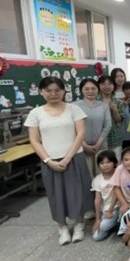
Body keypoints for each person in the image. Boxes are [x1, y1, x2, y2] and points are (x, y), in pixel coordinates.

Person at [25, 77, 93, 245]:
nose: (53, 94)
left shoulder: (74, 109)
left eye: (57, 90)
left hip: (74, 158)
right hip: (50, 161)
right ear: (41, 92)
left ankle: (79, 224)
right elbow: (34, 140)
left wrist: (68, 157)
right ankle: (62, 227)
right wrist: (48, 160)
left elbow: (81, 134)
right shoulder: (35, 113)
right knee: (56, 195)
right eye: (48, 90)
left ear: (63, 91)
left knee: (77, 192)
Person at [75, 79, 112, 180]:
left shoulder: (104, 106)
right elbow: (73, 128)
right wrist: (84, 145)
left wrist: (97, 144)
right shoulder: (75, 106)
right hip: (81, 147)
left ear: (98, 90)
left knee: (103, 176)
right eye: (86, 89)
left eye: (93, 88)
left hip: (100, 147)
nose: (90, 91)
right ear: (81, 90)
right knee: (85, 176)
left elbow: (107, 125)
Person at [92, 150, 120, 241]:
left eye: (108, 162)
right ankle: (114, 225)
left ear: (114, 162)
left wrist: (111, 210)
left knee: (105, 226)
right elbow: (97, 199)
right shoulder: (97, 180)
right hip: (106, 210)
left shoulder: (119, 174)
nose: (105, 165)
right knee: (96, 237)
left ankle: (117, 222)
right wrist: (97, 219)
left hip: (118, 207)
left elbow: (116, 194)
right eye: (102, 163)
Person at [98, 75, 125, 159]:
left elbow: (118, 121)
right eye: (103, 84)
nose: (106, 87)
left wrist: (115, 110)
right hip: (99, 139)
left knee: (116, 162)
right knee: (101, 163)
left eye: (109, 84)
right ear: (99, 86)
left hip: (114, 138)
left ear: (113, 86)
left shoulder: (118, 102)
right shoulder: (95, 101)